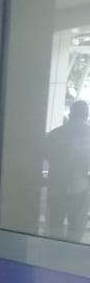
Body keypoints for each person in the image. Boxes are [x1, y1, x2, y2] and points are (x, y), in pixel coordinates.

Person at [44, 99, 90, 242]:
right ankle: (69, 256)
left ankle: (52, 255)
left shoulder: (54, 134)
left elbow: (45, 155)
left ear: (70, 115)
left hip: (56, 187)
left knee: (55, 226)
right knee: (76, 229)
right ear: (87, 115)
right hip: (80, 187)